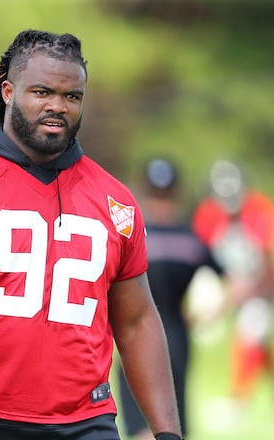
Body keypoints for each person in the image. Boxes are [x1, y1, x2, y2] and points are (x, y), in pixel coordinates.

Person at [0, 29, 183, 440]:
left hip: (83, 421)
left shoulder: (115, 199)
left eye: (71, 97)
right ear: (7, 91)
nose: (57, 107)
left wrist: (167, 433)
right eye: (42, 92)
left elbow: (136, 322)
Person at [116, 158, 222, 440]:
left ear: (144, 189)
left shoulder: (132, 235)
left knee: (141, 427)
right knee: (171, 427)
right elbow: (233, 278)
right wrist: (211, 311)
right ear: (176, 191)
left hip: (137, 337)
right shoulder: (190, 239)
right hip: (177, 335)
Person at [192, 159, 274, 409]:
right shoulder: (208, 212)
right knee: (253, 339)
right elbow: (197, 254)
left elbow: (265, 262)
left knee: (249, 332)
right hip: (227, 280)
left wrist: (239, 293)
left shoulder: (260, 210)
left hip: (260, 284)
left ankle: (239, 399)